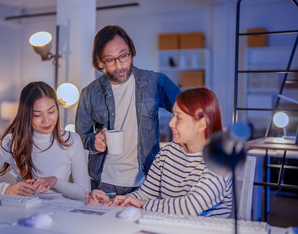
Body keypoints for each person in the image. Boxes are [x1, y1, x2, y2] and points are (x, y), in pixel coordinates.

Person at [87, 87, 233, 217]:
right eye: (173, 116)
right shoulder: (168, 153)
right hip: (169, 227)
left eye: (179, 118)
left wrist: (142, 203)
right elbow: (146, 194)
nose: (171, 123)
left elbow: (191, 206)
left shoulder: (220, 159)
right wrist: (115, 200)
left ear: (201, 124)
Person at [75, 25, 180, 195]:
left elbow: (187, 110)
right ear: (100, 62)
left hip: (147, 181)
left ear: (131, 51)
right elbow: (79, 137)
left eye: (124, 56)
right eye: (110, 60)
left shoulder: (155, 82)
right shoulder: (89, 93)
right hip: (103, 182)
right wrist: (93, 141)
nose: (119, 65)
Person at [0, 81, 90, 200]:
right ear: (27, 115)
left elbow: (84, 193)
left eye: (51, 112)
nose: (46, 121)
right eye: (37, 115)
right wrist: (7, 189)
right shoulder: (12, 142)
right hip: (26, 211)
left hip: (61, 213)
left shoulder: (72, 140)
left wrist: (55, 181)